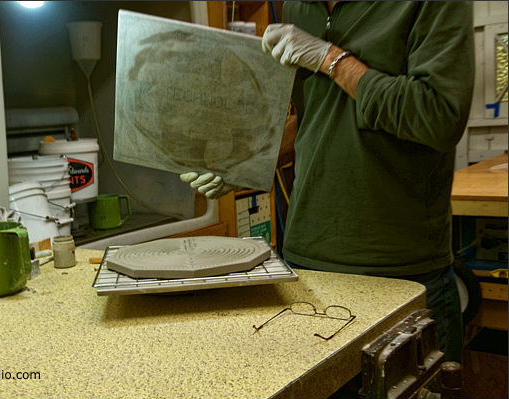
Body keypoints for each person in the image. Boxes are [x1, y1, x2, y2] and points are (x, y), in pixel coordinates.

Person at [181, 2, 475, 363]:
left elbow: (438, 117)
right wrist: (246, 161)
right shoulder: (300, 8)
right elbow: (316, 120)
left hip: (400, 272)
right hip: (308, 264)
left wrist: (331, 59)